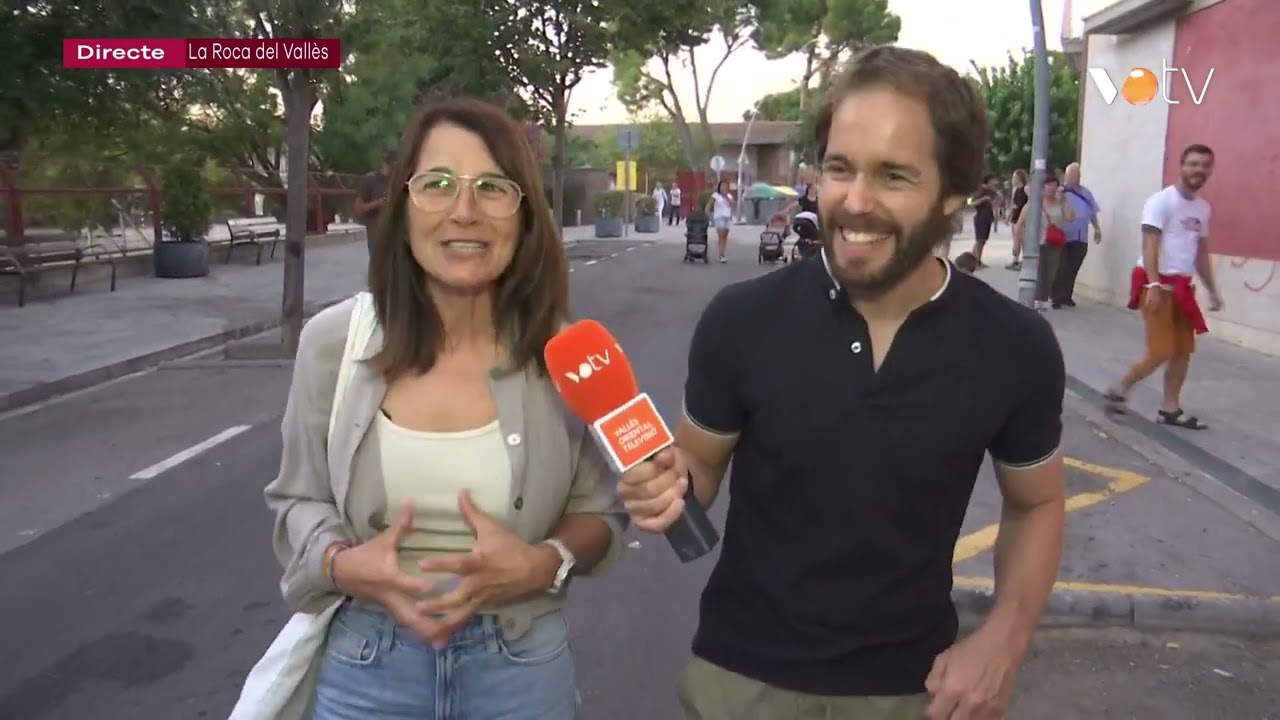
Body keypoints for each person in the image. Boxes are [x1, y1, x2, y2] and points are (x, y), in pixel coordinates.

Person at [618, 46, 1066, 720]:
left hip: (916, 692)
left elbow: (1037, 504)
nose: (855, 203)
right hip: (740, 683)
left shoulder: (1013, 347)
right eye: (838, 168)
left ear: (953, 191)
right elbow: (699, 466)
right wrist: (666, 486)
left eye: (892, 175)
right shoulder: (741, 321)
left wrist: (1005, 637)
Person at [263, 98, 626, 719]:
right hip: (365, 667)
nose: (465, 210)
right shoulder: (332, 344)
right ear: (404, 209)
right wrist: (344, 565)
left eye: (492, 187)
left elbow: (604, 514)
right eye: (437, 185)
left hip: (521, 672)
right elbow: (298, 498)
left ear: (524, 217)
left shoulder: (569, 355)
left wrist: (543, 563)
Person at [1103, 144, 1222, 430]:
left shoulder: (1202, 208)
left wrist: (1213, 289)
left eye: (1205, 165)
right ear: (1181, 166)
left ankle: (1170, 409)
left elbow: (1200, 252)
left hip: (1183, 289)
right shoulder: (1161, 201)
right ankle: (1119, 390)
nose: (1199, 170)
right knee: (1160, 351)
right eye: (1193, 164)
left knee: (1182, 352)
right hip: (1157, 287)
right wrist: (1154, 283)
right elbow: (1150, 244)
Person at [1014, 174, 1076, 311]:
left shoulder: (1060, 203)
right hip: (1037, 243)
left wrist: (1064, 201)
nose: (1051, 188)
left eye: (1054, 185)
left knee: (1050, 273)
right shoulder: (1034, 204)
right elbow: (1019, 224)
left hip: (1055, 242)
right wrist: (1016, 244)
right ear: (1042, 187)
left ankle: (1040, 300)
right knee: (1039, 271)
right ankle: (1035, 301)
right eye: (1048, 185)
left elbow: (1071, 218)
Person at [1052, 162, 1103, 308]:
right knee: (1062, 267)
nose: (1075, 177)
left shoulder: (1086, 193)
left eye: (1077, 174)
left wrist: (1097, 228)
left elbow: (1092, 212)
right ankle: (1057, 297)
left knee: (1073, 267)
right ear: (1067, 176)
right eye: (1072, 174)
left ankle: (1067, 295)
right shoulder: (1060, 191)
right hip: (1063, 235)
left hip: (1081, 236)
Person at [356, 152, 394, 256]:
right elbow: (359, 208)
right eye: (389, 163)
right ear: (383, 162)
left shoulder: (397, 180)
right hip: (376, 232)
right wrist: (378, 203)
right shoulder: (370, 180)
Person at [970, 173, 999, 267]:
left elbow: (997, 202)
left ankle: (978, 260)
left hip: (988, 217)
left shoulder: (991, 191)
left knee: (982, 241)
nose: (995, 182)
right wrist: (983, 199)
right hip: (981, 217)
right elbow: (972, 203)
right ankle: (974, 261)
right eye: (993, 180)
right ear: (988, 181)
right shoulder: (981, 190)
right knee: (979, 240)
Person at [706, 179, 734, 262]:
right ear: (719, 187)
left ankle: (722, 253)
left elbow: (733, 204)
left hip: (727, 217)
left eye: (726, 186)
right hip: (719, 217)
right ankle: (721, 255)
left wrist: (726, 196)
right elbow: (709, 206)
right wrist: (709, 217)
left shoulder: (729, 196)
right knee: (721, 236)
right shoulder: (715, 195)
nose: (724, 187)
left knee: (725, 237)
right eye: (722, 185)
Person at [1006, 169, 1028, 270]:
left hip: (1022, 218)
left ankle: (1024, 260)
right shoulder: (1015, 190)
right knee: (1016, 240)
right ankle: (1015, 259)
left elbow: (1018, 205)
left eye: (1014, 177)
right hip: (1015, 218)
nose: (1012, 179)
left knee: (1022, 240)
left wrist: (1010, 212)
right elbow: (1013, 204)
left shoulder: (1025, 190)